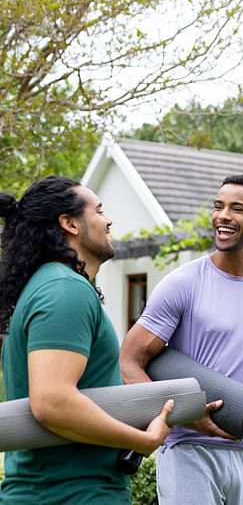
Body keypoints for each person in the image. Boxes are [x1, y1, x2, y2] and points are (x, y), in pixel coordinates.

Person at [118, 174, 243, 505]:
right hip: (189, 450)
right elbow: (130, 360)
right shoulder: (182, 283)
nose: (223, 215)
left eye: (236, 208)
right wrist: (179, 413)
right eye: (218, 206)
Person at [0, 176, 174, 504]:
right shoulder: (64, 289)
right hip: (69, 494)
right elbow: (52, 401)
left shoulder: (52, 285)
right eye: (99, 210)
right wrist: (142, 440)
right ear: (69, 224)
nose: (109, 220)